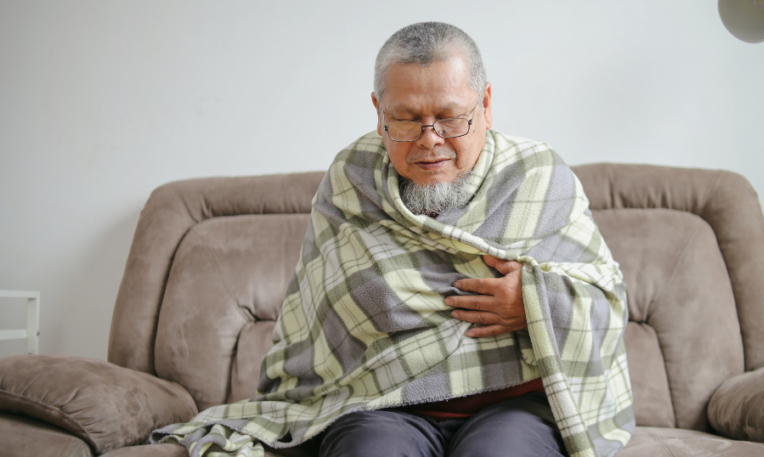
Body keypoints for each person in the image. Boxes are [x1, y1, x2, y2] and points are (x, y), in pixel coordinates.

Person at [154, 21, 634, 457]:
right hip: (380, 404)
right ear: (378, 111)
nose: (429, 139)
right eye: (406, 119)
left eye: (450, 117)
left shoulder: (537, 175)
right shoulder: (351, 177)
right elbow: (319, 316)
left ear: (486, 104)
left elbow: (607, 298)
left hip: (514, 407)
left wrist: (533, 302)